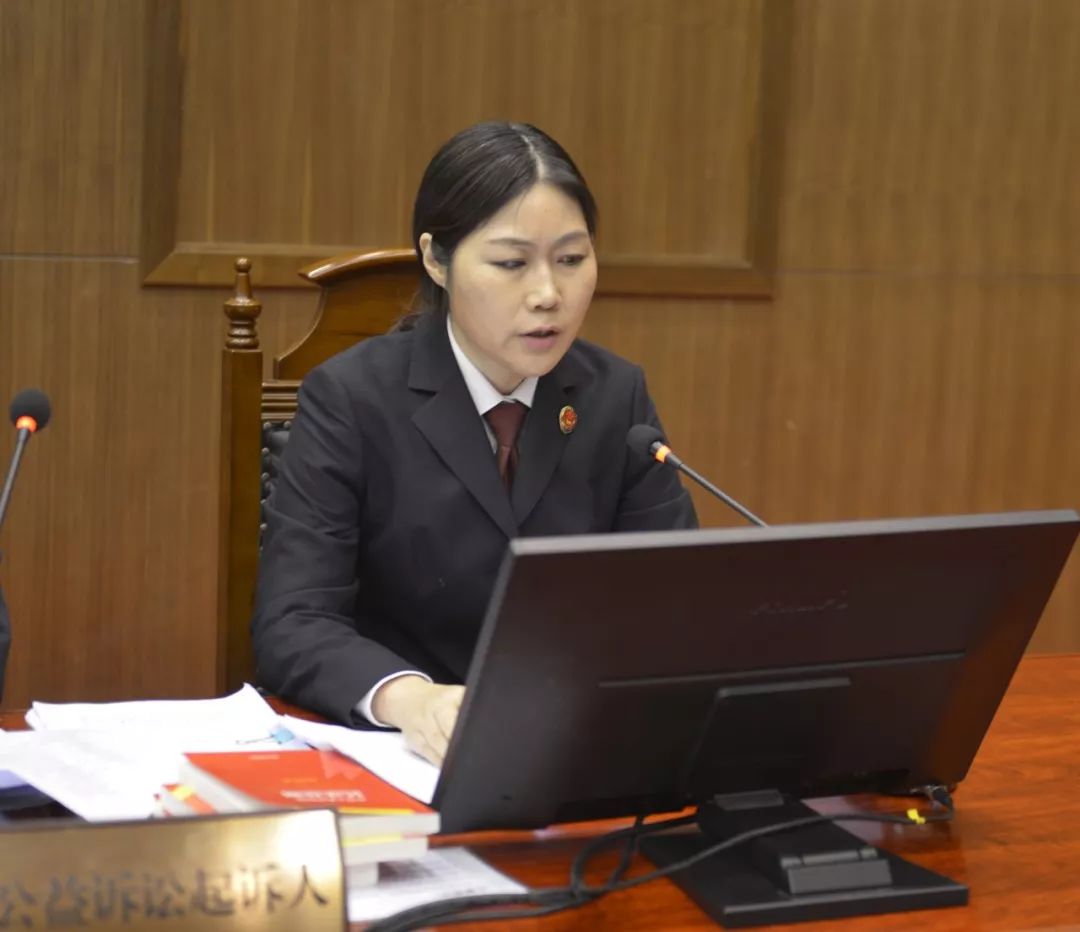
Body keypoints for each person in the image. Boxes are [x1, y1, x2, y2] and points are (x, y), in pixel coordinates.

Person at [252, 122, 697, 765]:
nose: (548, 295)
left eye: (572, 260)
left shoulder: (615, 398)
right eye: (512, 264)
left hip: (573, 749)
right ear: (437, 260)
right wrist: (412, 701)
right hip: (404, 756)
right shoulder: (351, 398)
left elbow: (673, 601)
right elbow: (293, 621)